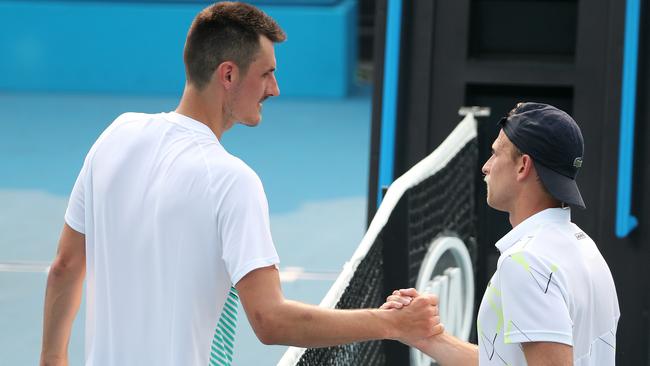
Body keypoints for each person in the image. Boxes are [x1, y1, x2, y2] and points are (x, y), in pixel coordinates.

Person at [39, 2, 443, 366]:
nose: (274, 89)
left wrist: (53, 358)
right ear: (228, 74)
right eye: (266, 74)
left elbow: (65, 266)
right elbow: (270, 320)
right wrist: (393, 324)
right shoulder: (233, 181)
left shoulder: (114, 136)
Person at [383, 102, 620, 365]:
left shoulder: (526, 263)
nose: (486, 166)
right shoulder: (586, 249)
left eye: (496, 154)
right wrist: (427, 338)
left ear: (523, 166)